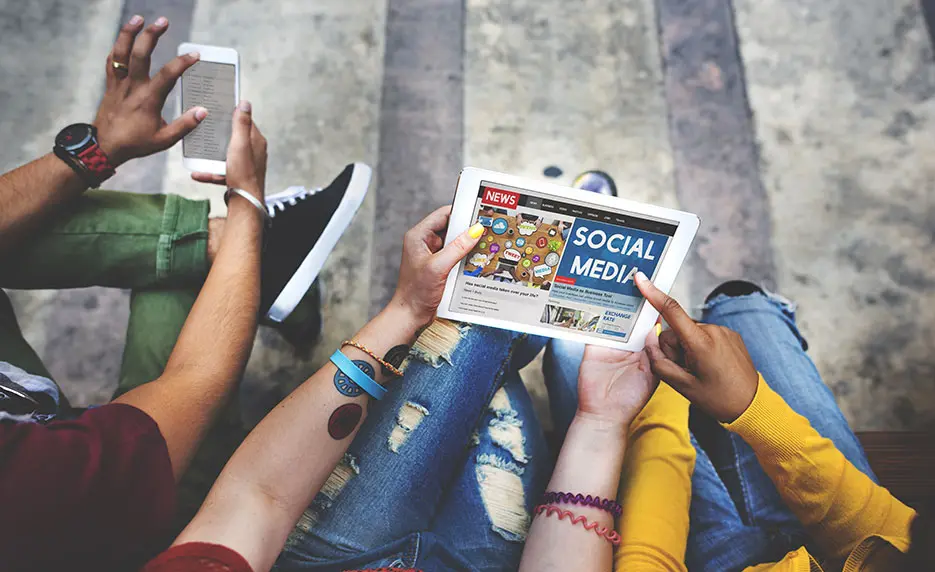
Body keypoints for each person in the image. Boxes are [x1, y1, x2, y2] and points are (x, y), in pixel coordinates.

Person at [0, 15, 366, 571]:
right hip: (139, 518)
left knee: (210, 260)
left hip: (50, 445)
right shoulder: (31, 487)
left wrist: (95, 149)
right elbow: (192, 381)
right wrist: (247, 203)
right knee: (209, 280)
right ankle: (257, 258)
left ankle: (248, 259)